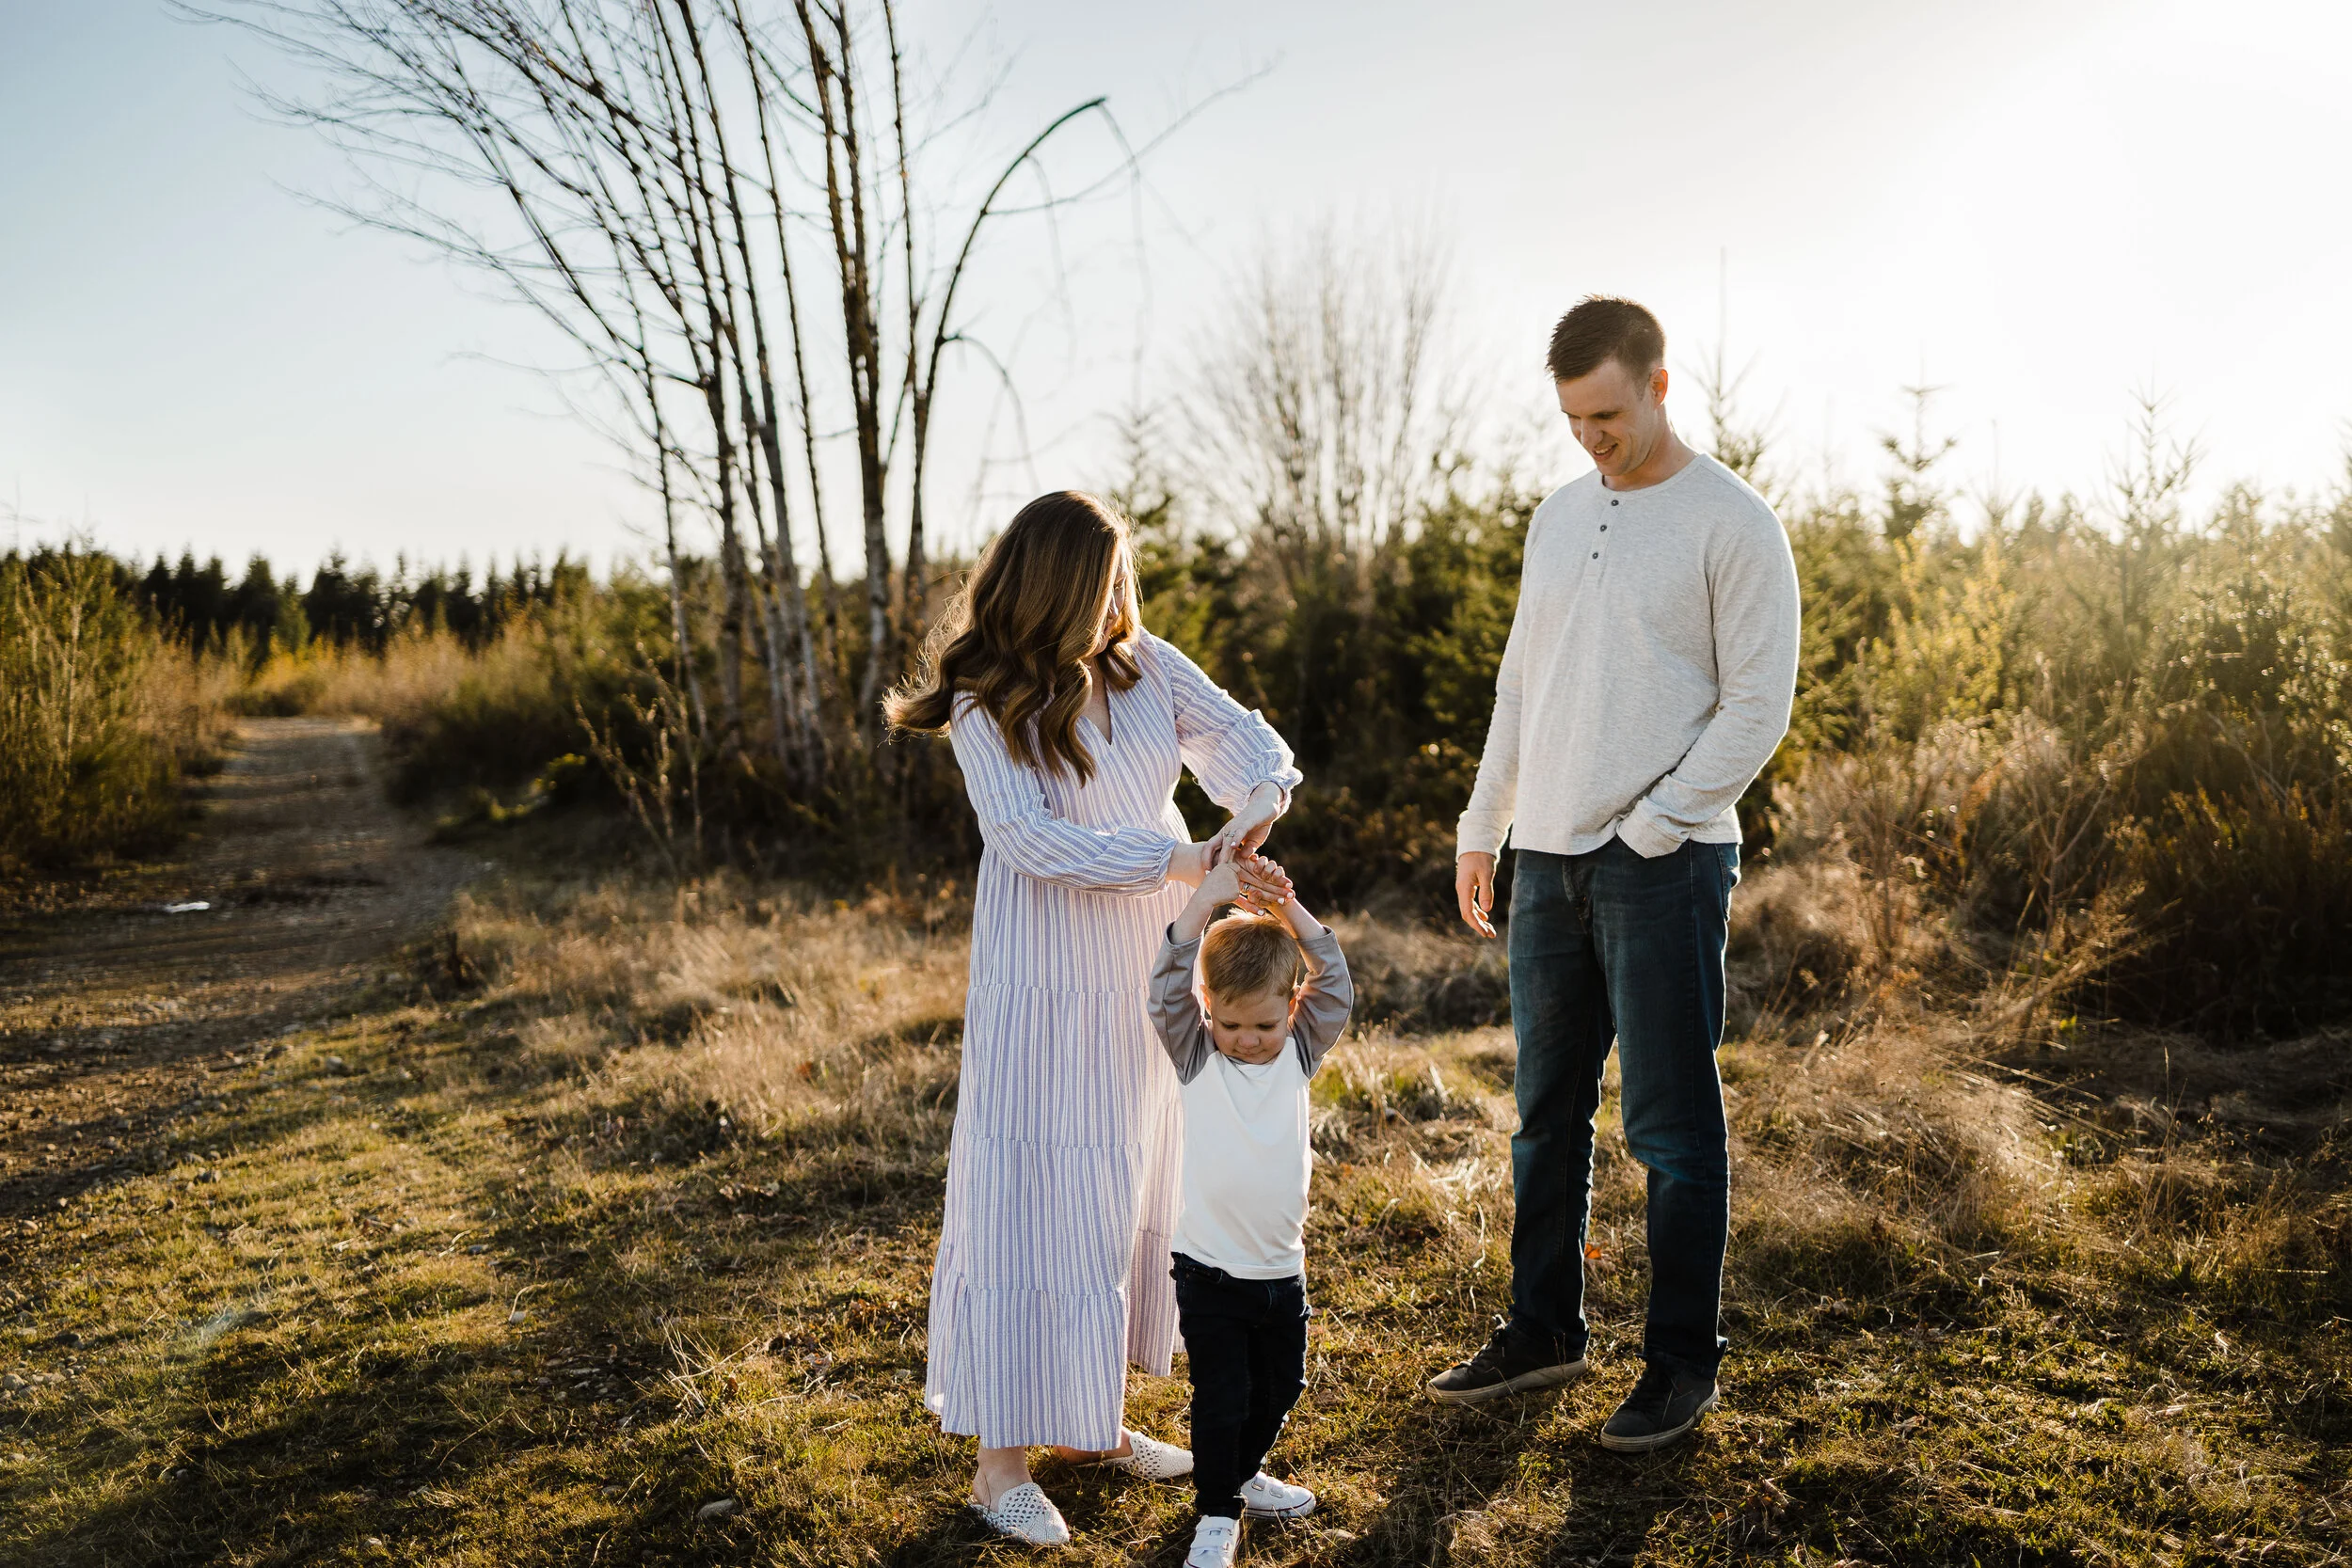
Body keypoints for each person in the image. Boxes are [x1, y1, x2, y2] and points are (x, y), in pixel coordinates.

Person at [885, 490, 1302, 1546]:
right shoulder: (988, 699)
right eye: (1107, 580)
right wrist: (1181, 857)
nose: (1124, 598)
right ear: (1059, 585)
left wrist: (1241, 832)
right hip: (1046, 963)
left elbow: (1254, 750)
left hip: (1152, 952)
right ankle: (998, 1462)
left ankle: (1093, 1419)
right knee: (1035, 1186)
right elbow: (1028, 839)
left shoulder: (1145, 662)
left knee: (1127, 1170)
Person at [1426, 296, 1801, 1453]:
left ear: (1657, 384)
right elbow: (1519, 685)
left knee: (1673, 1130)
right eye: (1570, 417)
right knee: (1545, 1116)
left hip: (1662, 866)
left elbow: (1758, 704)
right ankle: (1543, 1329)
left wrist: (1656, 823)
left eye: (1606, 412)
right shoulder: (1556, 517)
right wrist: (1483, 823)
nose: (1589, 435)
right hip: (1544, 859)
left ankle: (1682, 1361)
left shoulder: (1731, 523)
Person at [1145, 849, 1352, 1568]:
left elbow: (1337, 986)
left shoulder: (1298, 1052)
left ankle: (1238, 1471)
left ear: (1290, 1010)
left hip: (1280, 1268)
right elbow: (1166, 987)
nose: (1247, 1039)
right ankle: (1216, 1510)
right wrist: (1207, 899)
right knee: (1223, 1394)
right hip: (1209, 1272)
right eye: (1230, 1023)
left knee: (1282, 1383)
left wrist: (1285, 908)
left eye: (1262, 1025)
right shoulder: (1198, 1056)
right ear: (1210, 1011)